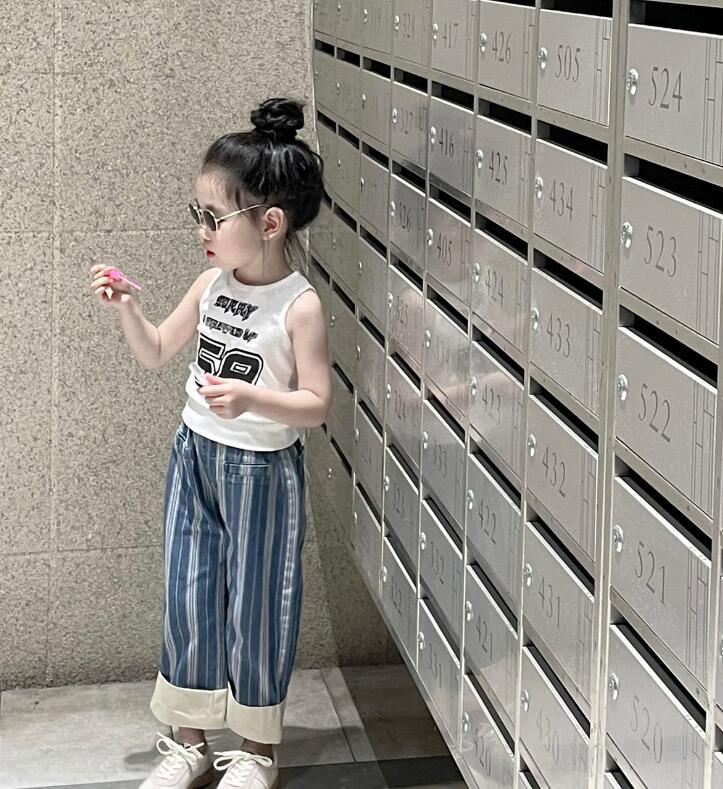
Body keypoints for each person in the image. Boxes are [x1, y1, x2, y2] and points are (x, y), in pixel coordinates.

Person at [89, 97, 331, 789]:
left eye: (213, 217)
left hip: (263, 472)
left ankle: (255, 750)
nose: (202, 230)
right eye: (198, 213)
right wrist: (129, 309)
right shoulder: (210, 285)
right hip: (194, 456)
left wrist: (254, 399)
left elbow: (317, 404)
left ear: (269, 223)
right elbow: (156, 352)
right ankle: (188, 741)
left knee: (258, 603)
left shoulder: (299, 306)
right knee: (189, 592)